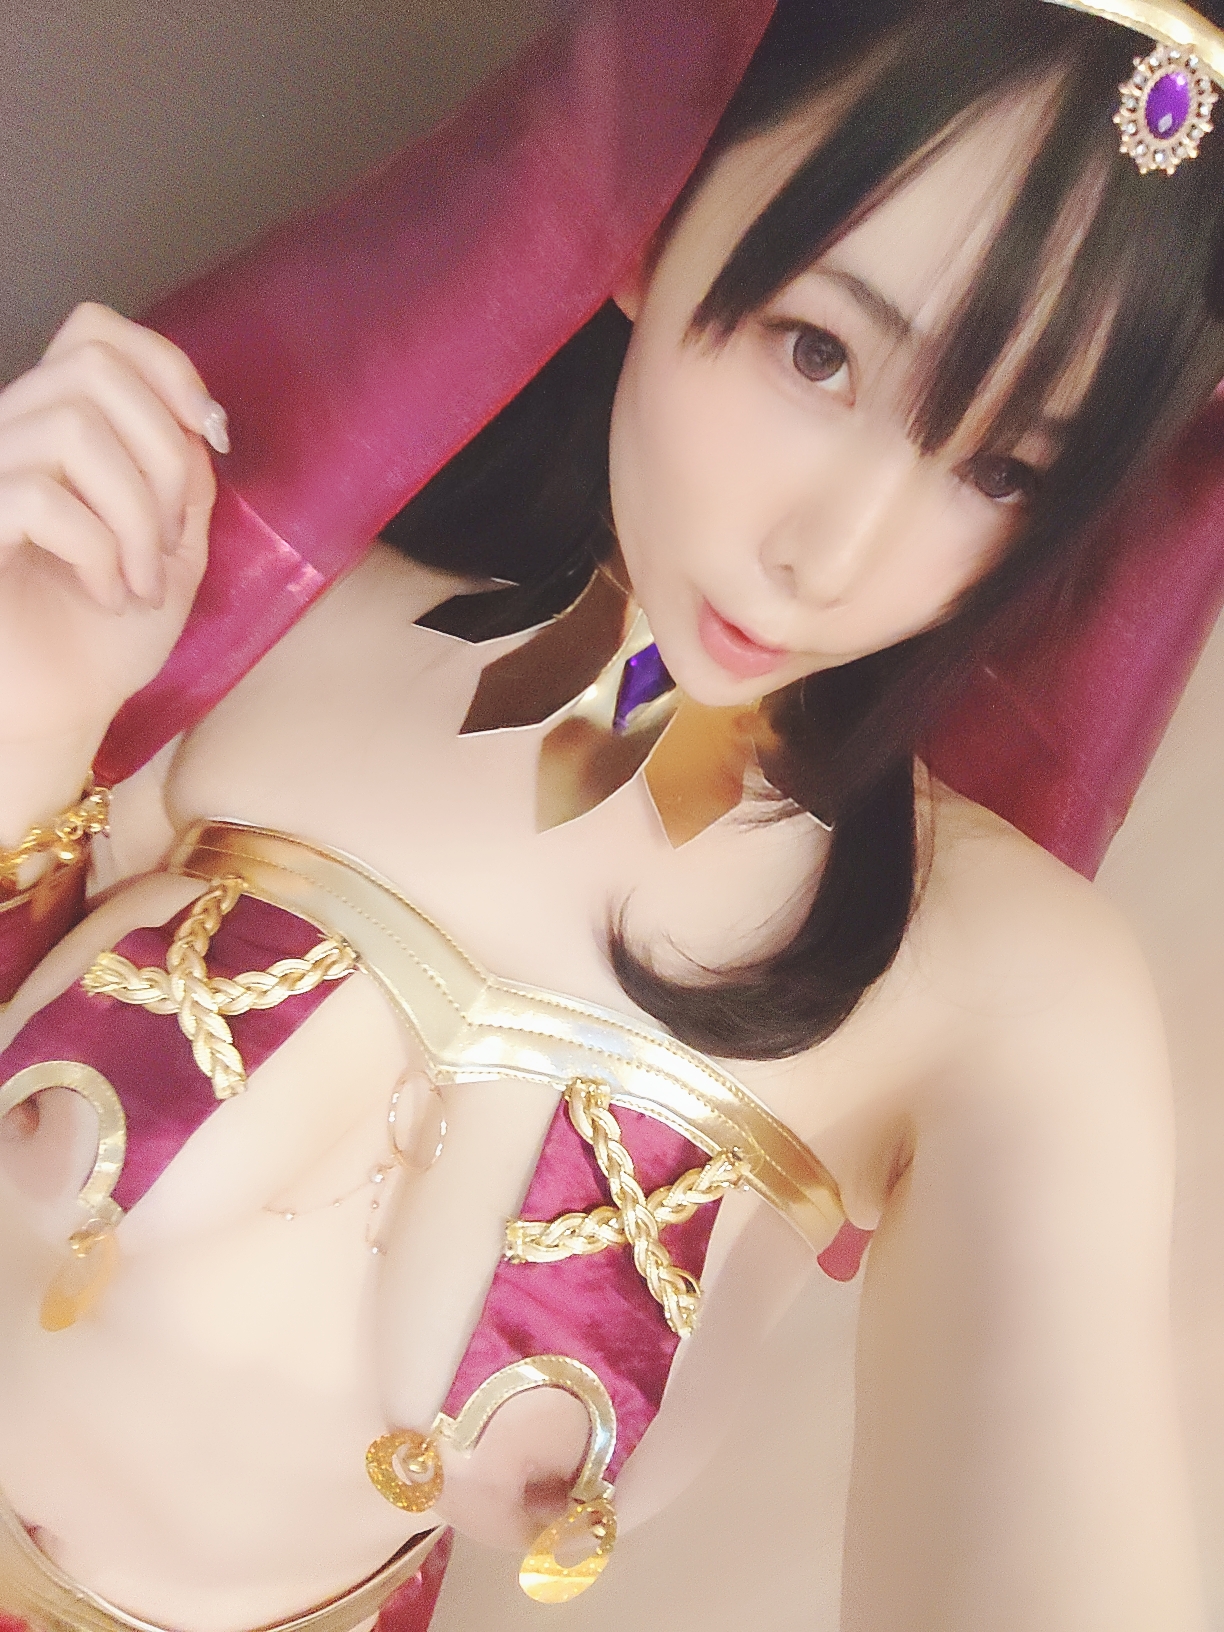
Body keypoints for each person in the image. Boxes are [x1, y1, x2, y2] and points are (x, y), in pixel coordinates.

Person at [1, 1, 1223, 1628]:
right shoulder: (243, 604)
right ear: (656, 208)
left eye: (1003, 469)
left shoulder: (1010, 994)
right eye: (818, 350)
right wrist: (29, 713)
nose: (833, 554)